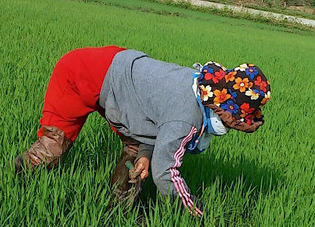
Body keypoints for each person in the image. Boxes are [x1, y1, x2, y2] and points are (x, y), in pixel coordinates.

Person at [15, 46, 272, 216]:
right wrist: (195, 209)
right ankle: (15, 184)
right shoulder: (186, 119)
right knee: (53, 148)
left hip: (119, 74)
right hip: (80, 73)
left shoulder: (200, 84)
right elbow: (164, 173)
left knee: (137, 154)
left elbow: (153, 119)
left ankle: (118, 211)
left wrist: (146, 154)